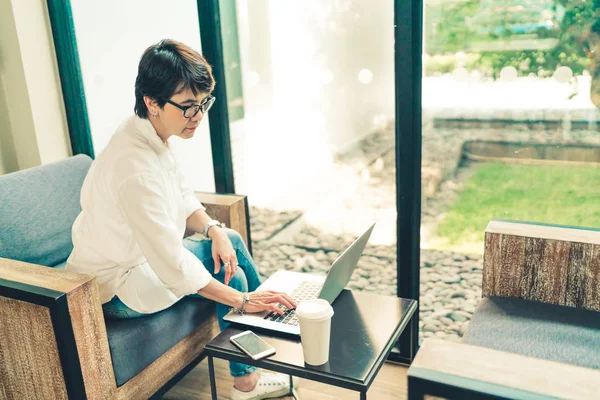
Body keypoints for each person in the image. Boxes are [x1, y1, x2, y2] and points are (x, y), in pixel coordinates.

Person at [66, 39, 296, 400]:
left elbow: (181, 195)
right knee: (231, 274)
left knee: (229, 240)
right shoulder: (135, 168)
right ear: (152, 102)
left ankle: (263, 348)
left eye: (203, 103)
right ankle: (255, 365)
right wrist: (240, 299)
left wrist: (212, 228)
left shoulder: (149, 132)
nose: (199, 116)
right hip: (118, 287)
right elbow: (172, 265)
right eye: (188, 107)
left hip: (145, 261)